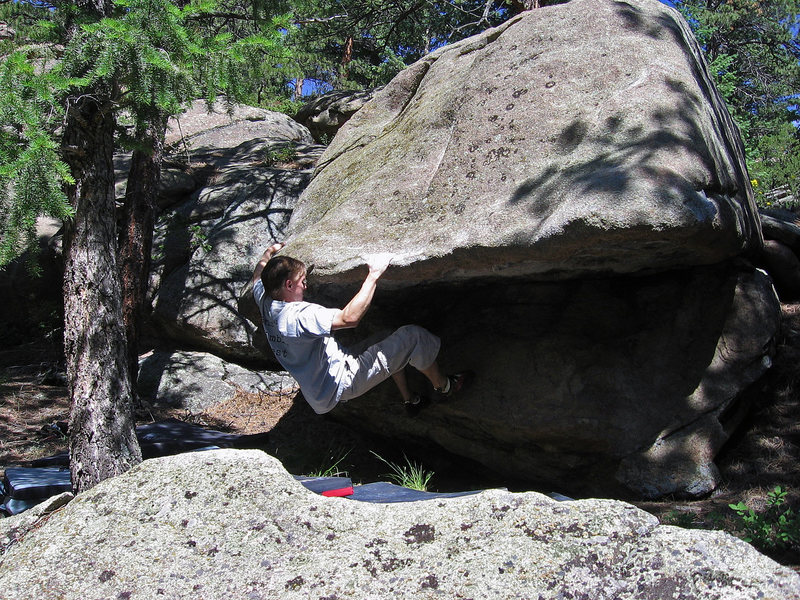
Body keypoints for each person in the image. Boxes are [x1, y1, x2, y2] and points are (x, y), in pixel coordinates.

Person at [250, 242, 469, 416]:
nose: (305, 286)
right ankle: (444, 386)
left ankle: (410, 400)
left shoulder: (266, 300)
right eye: (303, 282)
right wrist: (374, 274)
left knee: (389, 338)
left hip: (321, 385)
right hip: (342, 380)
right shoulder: (299, 316)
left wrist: (269, 252)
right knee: (413, 336)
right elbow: (349, 318)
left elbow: (257, 276)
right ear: (289, 285)